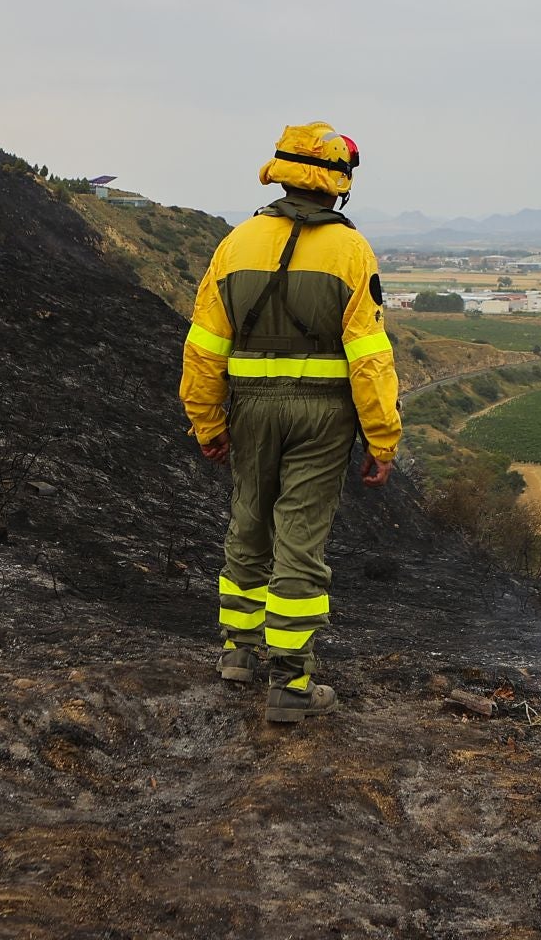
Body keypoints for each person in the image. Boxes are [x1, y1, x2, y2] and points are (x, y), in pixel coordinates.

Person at [179, 122, 402, 724]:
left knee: (249, 518)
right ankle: (291, 681)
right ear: (338, 184)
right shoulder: (351, 251)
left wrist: (207, 422)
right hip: (324, 417)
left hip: (249, 410)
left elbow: (203, 349)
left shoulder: (235, 244)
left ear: (279, 172)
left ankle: (237, 654)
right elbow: (369, 355)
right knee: (299, 537)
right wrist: (382, 438)